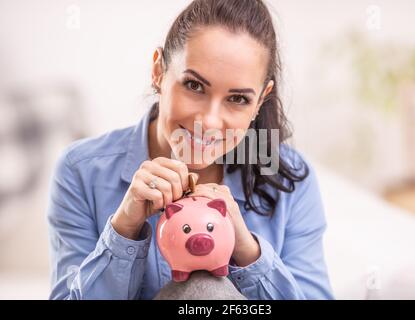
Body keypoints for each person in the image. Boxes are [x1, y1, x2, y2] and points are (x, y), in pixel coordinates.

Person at [47, 0, 333, 300]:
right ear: (158, 70)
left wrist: (246, 250)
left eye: (237, 99)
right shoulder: (79, 170)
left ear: (261, 100)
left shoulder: (289, 180)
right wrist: (123, 230)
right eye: (194, 86)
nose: (208, 121)